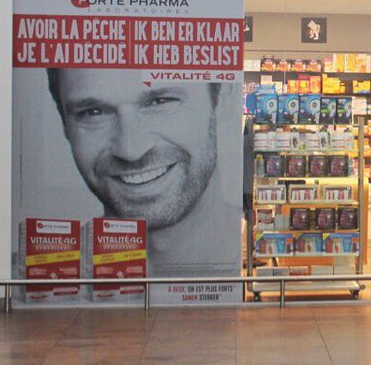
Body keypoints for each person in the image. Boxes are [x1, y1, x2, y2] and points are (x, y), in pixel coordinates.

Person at [47, 68, 237, 271]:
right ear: (64, 124)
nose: (131, 150)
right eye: (93, 112)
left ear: (223, 96)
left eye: (160, 102)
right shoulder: (38, 279)